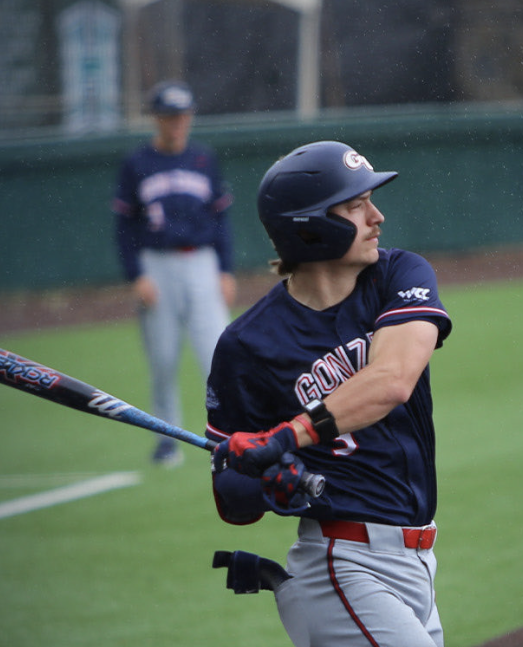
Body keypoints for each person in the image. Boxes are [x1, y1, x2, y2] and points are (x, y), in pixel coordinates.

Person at [204, 140, 452, 647]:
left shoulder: (398, 274)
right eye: (357, 206)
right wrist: (267, 483)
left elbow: (393, 379)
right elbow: (234, 502)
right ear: (311, 225)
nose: (377, 217)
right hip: (342, 567)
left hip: (418, 563)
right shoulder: (246, 344)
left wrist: (287, 437)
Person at [112, 81, 236, 467]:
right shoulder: (138, 163)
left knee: (217, 353)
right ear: (157, 119)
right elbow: (124, 226)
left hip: (201, 262)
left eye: (183, 116)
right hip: (157, 263)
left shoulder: (203, 158)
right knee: (163, 359)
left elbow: (221, 218)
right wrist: (137, 274)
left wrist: (226, 269)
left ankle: (232, 435)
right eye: (169, 117)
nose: (177, 123)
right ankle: (166, 440)